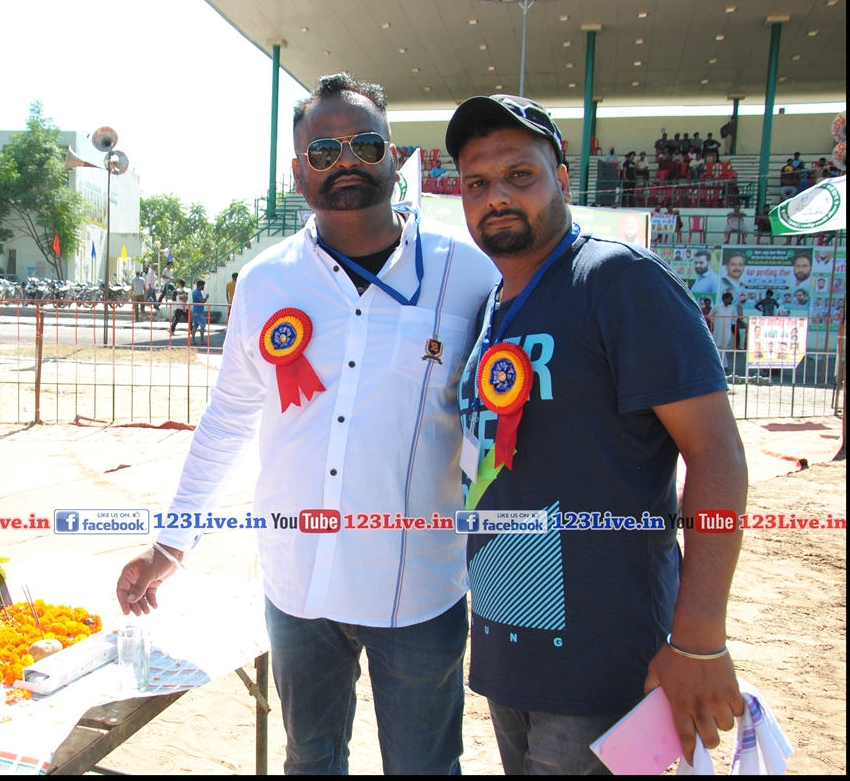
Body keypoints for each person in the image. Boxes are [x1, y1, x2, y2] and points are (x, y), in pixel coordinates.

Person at [114, 73, 497, 774]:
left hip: (417, 586)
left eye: (365, 144)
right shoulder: (266, 282)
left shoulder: (467, 273)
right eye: (323, 152)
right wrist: (171, 543)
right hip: (299, 586)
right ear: (297, 173)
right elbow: (227, 422)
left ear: (394, 157)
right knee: (310, 762)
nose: (345, 161)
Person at [444, 95, 746, 774]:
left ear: (562, 179)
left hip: (605, 665)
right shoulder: (493, 305)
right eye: (476, 183)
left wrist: (698, 637)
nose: (496, 196)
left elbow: (717, 454)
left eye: (519, 175)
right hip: (509, 646)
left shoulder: (619, 280)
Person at [710, 290, 739, 372]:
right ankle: (721, 365)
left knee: (724, 348)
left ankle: (723, 364)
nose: (731, 300)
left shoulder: (732, 308)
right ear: (725, 299)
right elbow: (709, 315)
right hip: (717, 330)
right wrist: (716, 322)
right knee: (717, 347)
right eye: (729, 299)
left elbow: (735, 319)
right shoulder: (717, 306)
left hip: (727, 331)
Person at [189, 279, 209, 344]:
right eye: (203, 286)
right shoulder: (198, 293)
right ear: (200, 285)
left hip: (195, 311)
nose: (203, 287)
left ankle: (193, 340)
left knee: (195, 326)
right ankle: (202, 340)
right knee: (202, 326)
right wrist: (206, 297)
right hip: (198, 312)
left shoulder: (194, 292)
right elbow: (202, 301)